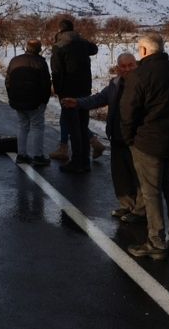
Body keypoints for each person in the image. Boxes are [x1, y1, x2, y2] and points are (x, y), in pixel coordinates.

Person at [119, 33, 169, 261]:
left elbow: (128, 112)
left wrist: (130, 138)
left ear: (145, 50)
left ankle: (156, 241)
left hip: (147, 143)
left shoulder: (139, 75)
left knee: (151, 192)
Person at [62, 53, 144, 222]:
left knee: (139, 176)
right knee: (120, 175)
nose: (127, 69)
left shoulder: (144, 84)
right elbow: (99, 99)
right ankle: (126, 205)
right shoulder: (114, 84)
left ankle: (140, 211)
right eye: (123, 66)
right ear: (118, 68)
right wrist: (77, 102)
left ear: (136, 65)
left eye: (131, 65)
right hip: (117, 136)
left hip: (136, 138)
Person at [50, 18, 98, 173]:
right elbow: (94, 49)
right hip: (85, 89)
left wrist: (58, 91)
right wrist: (81, 39)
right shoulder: (82, 43)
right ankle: (85, 162)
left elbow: (56, 71)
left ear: (60, 30)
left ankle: (77, 162)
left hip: (68, 91)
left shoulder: (59, 46)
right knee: (83, 126)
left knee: (73, 127)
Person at [5, 39, 52, 167]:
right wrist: (44, 100)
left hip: (18, 100)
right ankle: (38, 156)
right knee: (37, 127)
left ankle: (21, 155)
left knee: (22, 126)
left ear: (27, 47)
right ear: (39, 49)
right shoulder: (40, 63)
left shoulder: (15, 60)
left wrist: (12, 97)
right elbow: (46, 84)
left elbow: (8, 81)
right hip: (35, 102)